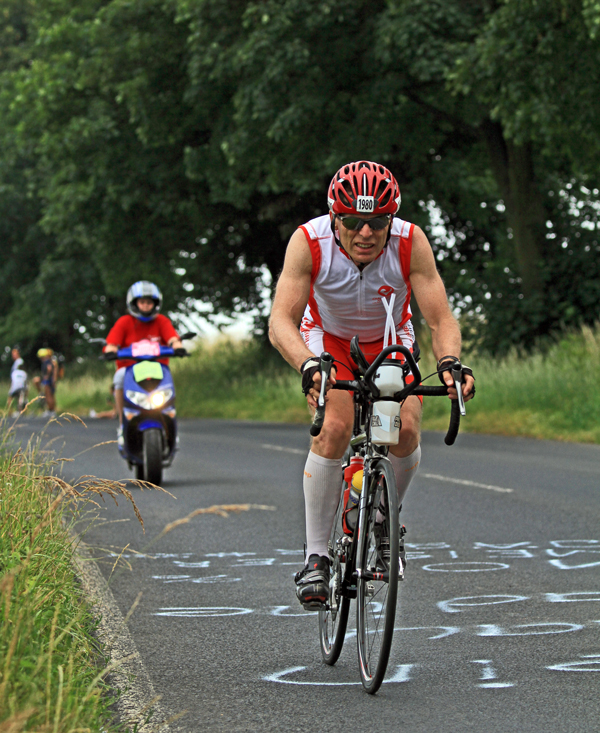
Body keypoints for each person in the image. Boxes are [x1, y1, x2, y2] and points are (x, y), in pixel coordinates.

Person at [268, 160, 475, 607]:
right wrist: (308, 365)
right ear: (334, 219)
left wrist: (451, 362)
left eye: (378, 222)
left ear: (391, 219)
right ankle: (317, 556)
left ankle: (382, 517)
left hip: (389, 340)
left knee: (405, 432)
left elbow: (439, 318)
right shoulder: (308, 242)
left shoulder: (409, 241)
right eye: (354, 222)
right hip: (329, 341)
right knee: (336, 428)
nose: (366, 233)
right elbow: (281, 321)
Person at [104, 281, 183, 446]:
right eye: (142, 302)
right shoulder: (124, 322)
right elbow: (112, 343)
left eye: (149, 302)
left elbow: (173, 338)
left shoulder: (161, 321)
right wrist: (110, 350)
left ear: (155, 304)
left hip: (157, 368)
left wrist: (177, 346)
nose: (146, 306)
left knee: (168, 381)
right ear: (134, 303)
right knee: (118, 377)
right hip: (129, 369)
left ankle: (168, 416)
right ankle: (122, 421)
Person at [32, 347, 58, 417]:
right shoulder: (51, 361)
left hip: (48, 381)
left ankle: (51, 411)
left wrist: (47, 376)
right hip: (49, 380)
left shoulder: (47, 362)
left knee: (49, 396)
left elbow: (49, 369)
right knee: (50, 395)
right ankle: (51, 410)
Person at [7, 346, 28, 416]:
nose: (13, 356)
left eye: (15, 354)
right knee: (17, 397)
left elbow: (20, 373)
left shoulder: (19, 361)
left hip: (18, 382)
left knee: (13, 396)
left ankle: (12, 412)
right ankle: (15, 411)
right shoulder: (16, 362)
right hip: (16, 381)